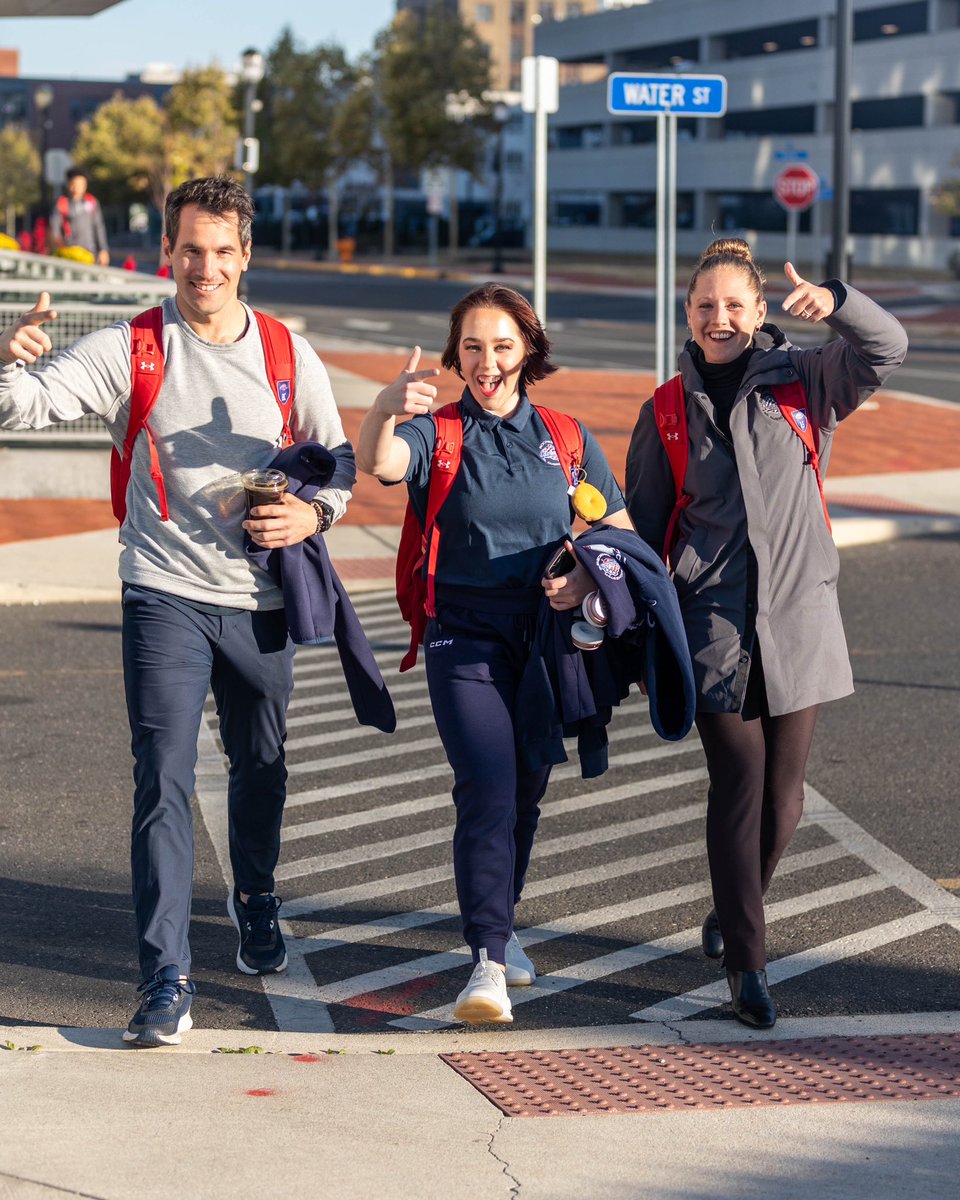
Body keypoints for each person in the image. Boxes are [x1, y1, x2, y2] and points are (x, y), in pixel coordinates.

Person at [0, 176, 356, 1047]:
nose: (205, 267)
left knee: (260, 766)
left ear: (245, 256)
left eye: (222, 251)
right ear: (169, 251)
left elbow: (340, 461)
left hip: (262, 597)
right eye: (190, 249)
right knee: (161, 777)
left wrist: (313, 512)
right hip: (163, 589)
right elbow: (29, 402)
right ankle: (165, 976)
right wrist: (11, 360)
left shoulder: (285, 353)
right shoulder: (136, 346)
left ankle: (258, 897)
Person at [625, 238, 907, 1030]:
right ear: (688, 313)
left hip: (799, 614)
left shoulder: (807, 382)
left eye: (734, 306)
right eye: (706, 306)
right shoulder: (666, 413)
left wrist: (840, 303)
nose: (720, 319)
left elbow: (888, 347)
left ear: (756, 314)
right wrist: (636, 620)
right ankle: (748, 966)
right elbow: (643, 530)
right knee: (739, 780)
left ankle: (734, 903)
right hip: (710, 621)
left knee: (786, 796)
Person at [356, 283, 634, 1026]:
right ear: (456, 355)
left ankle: (500, 929)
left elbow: (619, 528)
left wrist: (586, 576)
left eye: (502, 346)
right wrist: (387, 407)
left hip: (544, 640)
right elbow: (378, 464)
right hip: (463, 635)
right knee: (487, 784)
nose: (486, 362)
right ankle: (485, 962)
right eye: (472, 347)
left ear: (528, 352)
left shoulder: (567, 437)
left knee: (527, 788)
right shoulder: (437, 433)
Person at [49, 166, 110, 266]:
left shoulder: (92, 202)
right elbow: (55, 229)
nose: (77, 187)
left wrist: (103, 249)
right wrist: (59, 249)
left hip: (90, 252)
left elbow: (98, 227)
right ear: (69, 185)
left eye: (81, 184)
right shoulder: (62, 204)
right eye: (74, 184)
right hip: (69, 254)